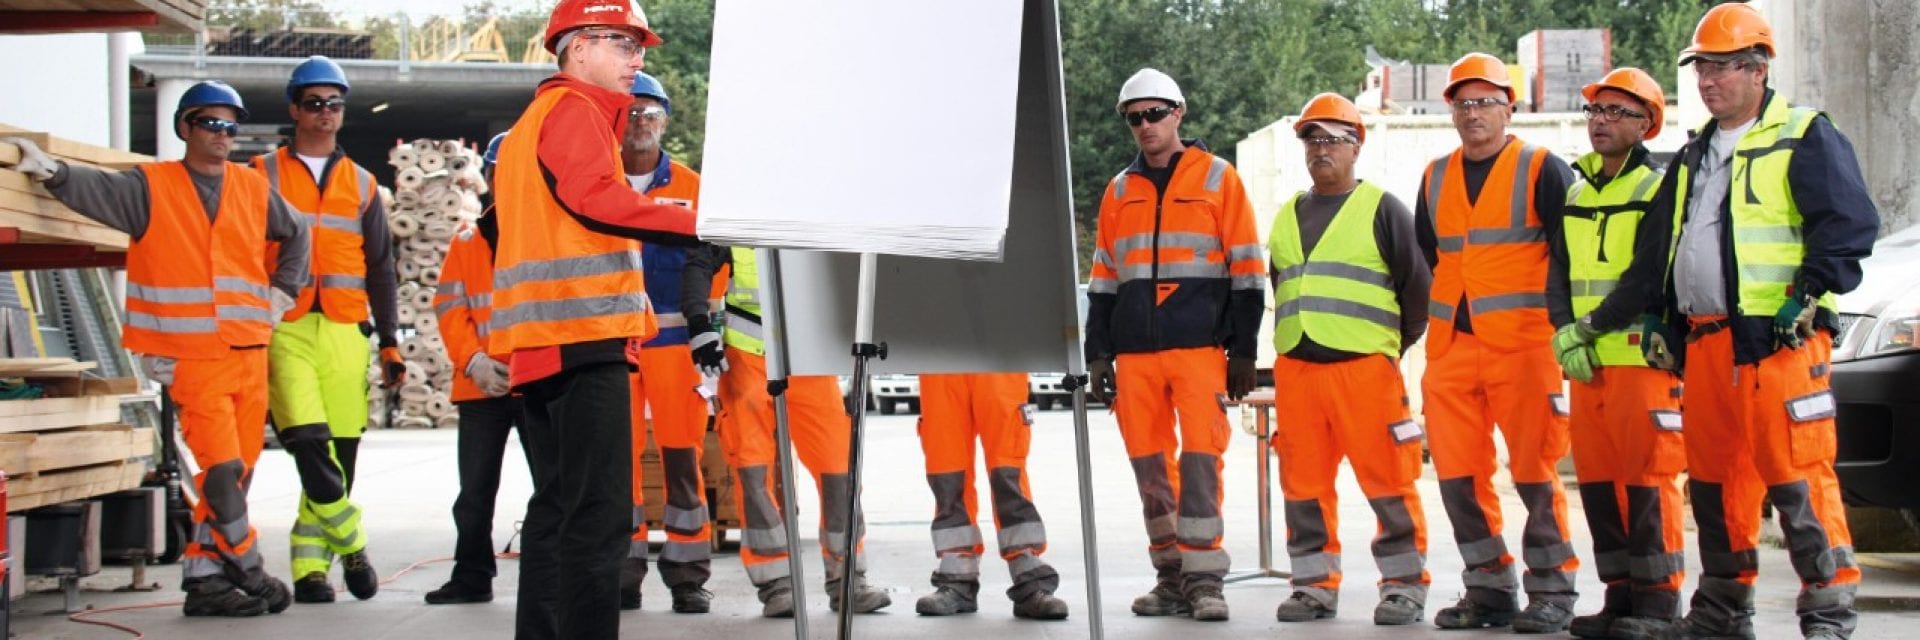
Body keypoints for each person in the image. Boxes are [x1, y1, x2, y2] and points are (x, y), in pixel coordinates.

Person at [1610, 4, 1878, 638]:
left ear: (1759, 71)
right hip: (1703, 347)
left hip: (1777, 345)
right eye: (1702, 68)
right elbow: (1661, 248)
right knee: (1715, 488)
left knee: (1799, 482)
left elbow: (1847, 225)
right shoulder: (1694, 154)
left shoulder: (1803, 133)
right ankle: (1721, 616)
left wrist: (1809, 293)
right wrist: (1657, 315)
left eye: (1724, 68)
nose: (1709, 81)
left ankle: (1830, 615)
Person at [5, 81, 304, 617]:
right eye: (211, 124)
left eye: (231, 126)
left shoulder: (253, 187)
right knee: (220, 469)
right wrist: (51, 170)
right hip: (191, 355)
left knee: (239, 473)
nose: (223, 135)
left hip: (250, 348)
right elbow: (97, 189)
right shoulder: (152, 186)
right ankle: (250, 567)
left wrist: (283, 290)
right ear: (186, 127)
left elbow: (297, 232)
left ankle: (205, 579)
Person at [489, 1, 699, 637]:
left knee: (558, 509)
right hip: (582, 341)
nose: (637, 58)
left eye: (638, 46)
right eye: (621, 43)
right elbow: (594, 200)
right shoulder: (575, 109)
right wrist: (700, 219)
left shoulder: (537, 119)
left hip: (543, 345)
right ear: (577, 49)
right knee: (601, 517)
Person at [1084, 67, 1265, 622]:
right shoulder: (1119, 190)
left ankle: (1206, 579)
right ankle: (1170, 577)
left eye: (1155, 113)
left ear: (1178, 113)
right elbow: (1104, 277)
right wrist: (1098, 353)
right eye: (1134, 117)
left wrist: (1244, 351)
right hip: (1136, 355)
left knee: (1202, 464)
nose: (1145, 125)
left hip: (1199, 351)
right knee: (1150, 468)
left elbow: (1248, 270)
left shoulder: (1219, 178)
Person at [1414, 52, 1581, 632]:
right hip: (1452, 349)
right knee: (1459, 478)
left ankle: (1553, 590)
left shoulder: (1543, 168)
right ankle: (1488, 591)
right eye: (1463, 103)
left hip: (1524, 346)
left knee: (1535, 474)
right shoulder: (1435, 176)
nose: (1474, 113)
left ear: (1510, 106)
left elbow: (1568, 256)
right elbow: (1432, 254)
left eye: (1485, 101)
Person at [1263, 93, 1432, 627]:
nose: (1321, 149)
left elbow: (1417, 289)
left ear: (1357, 146)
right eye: (1313, 139)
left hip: (1366, 371)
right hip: (1298, 371)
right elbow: (1282, 287)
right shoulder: (1287, 214)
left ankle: (1403, 586)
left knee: (1388, 480)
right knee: (1303, 485)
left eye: (1334, 138)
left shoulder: (1384, 208)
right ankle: (1313, 586)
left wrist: (1388, 347)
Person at [1544, 68, 1688, 640]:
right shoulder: (1577, 191)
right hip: (1588, 364)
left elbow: (1648, 275)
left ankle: (1658, 605)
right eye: (1595, 112)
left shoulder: (1657, 186)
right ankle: (1619, 596)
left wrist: (1586, 328)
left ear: (1647, 124)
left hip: (1639, 361)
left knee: (1648, 481)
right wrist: (1563, 330)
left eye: (1617, 113)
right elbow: (1558, 269)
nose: (1601, 122)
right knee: (1601, 484)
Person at [678, 245, 894, 618]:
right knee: (753, 472)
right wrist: (699, 326)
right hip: (747, 363)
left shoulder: (808, 219)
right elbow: (697, 268)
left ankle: (848, 581)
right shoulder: (734, 223)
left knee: (838, 469)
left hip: (807, 360)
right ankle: (776, 584)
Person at [250, 54, 393, 604]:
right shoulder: (259, 175)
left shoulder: (362, 183)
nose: (326, 112)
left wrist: (389, 341)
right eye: (315, 103)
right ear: (295, 109)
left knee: (341, 452)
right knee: (307, 443)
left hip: (345, 327)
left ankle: (312, 568)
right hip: (284, 324)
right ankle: (354, 542)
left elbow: (381, 266)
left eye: (335, 103)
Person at [616, 71, 715, 614]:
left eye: (650, 113)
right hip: (616, 346)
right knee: (619, 463)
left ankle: (687, 575)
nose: (640, 124)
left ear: (665, 121)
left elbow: (713, 263)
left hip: (677, 347)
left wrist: (707, 332)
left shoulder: (695, 187)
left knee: (682, 459)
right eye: (631, 112)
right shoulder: (598, 183)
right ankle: (622, 573)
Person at [423, 132, 527, 606]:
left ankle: (555, 574)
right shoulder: (467, 240)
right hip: (482, 384)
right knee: (475, 492)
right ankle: (471, 576)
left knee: (555, 487)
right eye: (496, 172)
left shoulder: (543, 238)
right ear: (487, 179)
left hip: (537, 380)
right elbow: (449, 306)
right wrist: (474, 360)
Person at [910, 372, 1070, 620]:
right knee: (947, 470)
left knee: (1006, 468)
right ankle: (957, 577)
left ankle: (1027, 573)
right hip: (941, 353)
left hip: (998, 351)